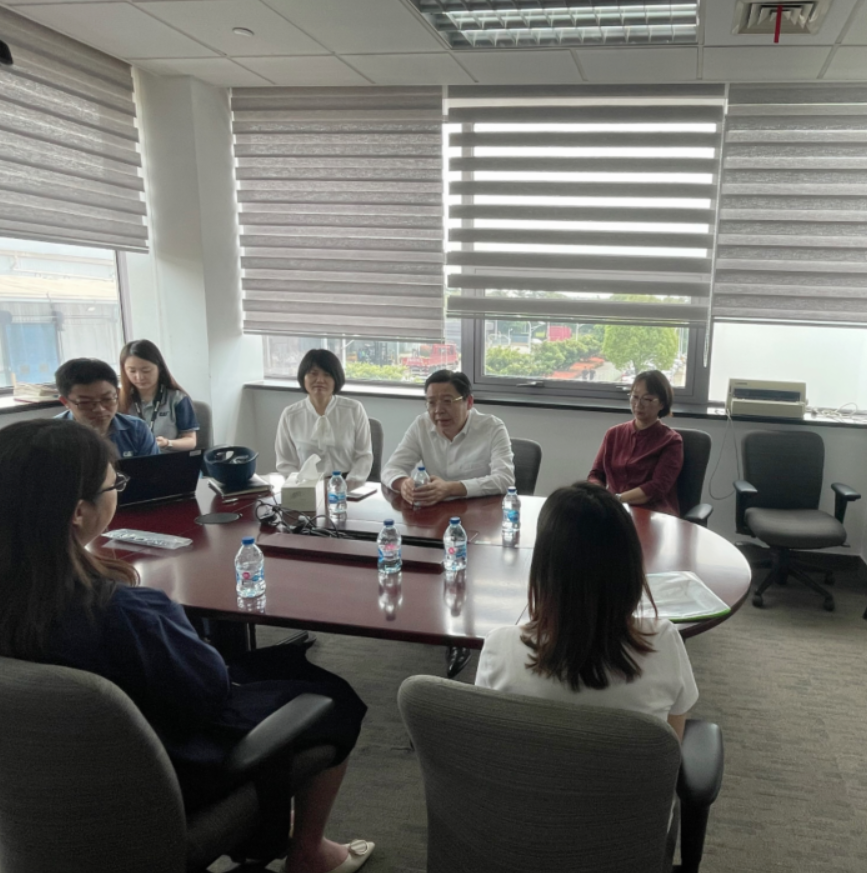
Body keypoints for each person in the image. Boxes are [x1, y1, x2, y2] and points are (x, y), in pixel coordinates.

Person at [0, 418, 374, 873]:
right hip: (158, 778)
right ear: (79, 512)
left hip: (39, 788)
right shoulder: (124, 613)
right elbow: (208, 692)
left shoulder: (32, 604)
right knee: (333, 697)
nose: (117, 491)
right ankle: (309, 853)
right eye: (114, 485)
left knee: (273, 665)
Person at [475, 482, 698, 742]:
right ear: (630, 568)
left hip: (529, 770)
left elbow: (487, 742)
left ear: (544, 568)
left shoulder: (499, 649)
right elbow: (672, 745)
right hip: (628, 771)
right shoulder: (664, 642)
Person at [381, 369, 515, 506]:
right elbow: (391, 469)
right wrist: (404, 484)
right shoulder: (421, 425)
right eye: (431, 403)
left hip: (480, 510)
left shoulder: (492, 427)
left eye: (447, 401)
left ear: (469, 402)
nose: (438, 410)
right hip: (434, 511)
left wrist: (450, 489)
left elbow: (505, 479)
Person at [588, 369, 683, 516]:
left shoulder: (671, 441)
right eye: (635, 397)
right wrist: (599, 496)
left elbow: (657, 487)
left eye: (647, 399)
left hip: (654, 513)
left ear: (662, 403)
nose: (638, 404)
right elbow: (596, 474)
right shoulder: (614, 434)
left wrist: (617, 499)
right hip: (614, 509)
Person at [275, 349, 373, 490]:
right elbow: (285, 463)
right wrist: (302, 488)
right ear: (303, 377)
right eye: (313, 373)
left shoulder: (354, 409)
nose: (320, 380)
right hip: (306, 487)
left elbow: (364, 456)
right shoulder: (290, 415)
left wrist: (347, 486)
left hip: (346, 486)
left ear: (336, 378)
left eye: (327, 374)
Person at [55, 357, 160, 458]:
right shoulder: (52, 436)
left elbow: (154, 468)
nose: (100, 409)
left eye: (107, 399)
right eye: (85, 403)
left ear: (117, 393)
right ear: (65, 402)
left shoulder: (136, 429)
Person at [120, 339, 199, 452]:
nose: (139, 377)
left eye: (146, 370)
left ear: (159, 368)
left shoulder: (177, 399)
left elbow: (191, 441)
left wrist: (167, 443)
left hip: (166, 458)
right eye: (132, 371)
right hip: (131, 460)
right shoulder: (118, 400)